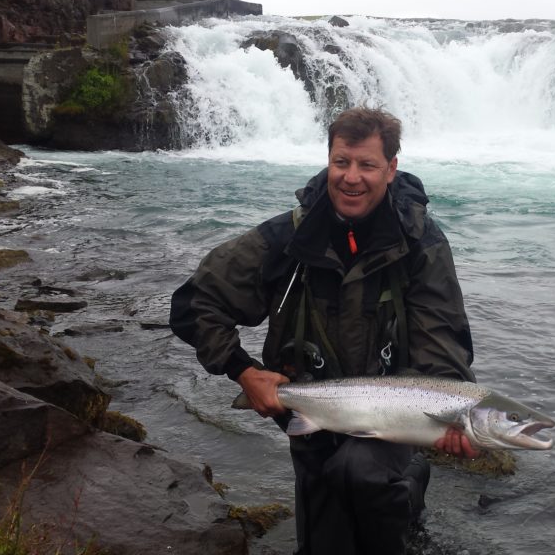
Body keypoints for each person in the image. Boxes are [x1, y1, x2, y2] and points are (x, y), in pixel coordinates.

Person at [169, 107, 478, 554]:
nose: (351, 178)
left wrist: (450, 414)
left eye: (367, 165)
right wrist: (244, 371)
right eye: (341, 163)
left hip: (392, 418)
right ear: (328, 160)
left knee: (362, 475)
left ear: (391, 169)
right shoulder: (286, 239)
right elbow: (192, 304)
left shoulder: (420, 244)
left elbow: (443, 339)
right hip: (309, 416)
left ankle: (407, 486)